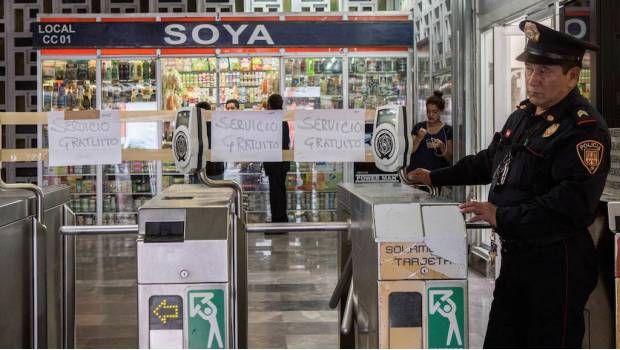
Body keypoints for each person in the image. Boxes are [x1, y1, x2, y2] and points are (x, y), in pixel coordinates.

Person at [410, 20, 609, 348]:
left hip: (556, 265)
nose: (532, 80)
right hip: (517, 259)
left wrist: (501, 216)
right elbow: (490, 161)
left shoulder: (584, 130)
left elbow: (570, 205)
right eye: (530, 69)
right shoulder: (523, 116)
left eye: (544, 71)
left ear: (573, 76)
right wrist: (434, 177)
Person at [406, 90, 453, 177]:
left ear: (441, 111)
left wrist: (442, 146)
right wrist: (419, 138)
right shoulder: (419, 127)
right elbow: (409, 151)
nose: (430, 115)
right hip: (416, 177)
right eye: (428, 111)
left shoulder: (447, 130)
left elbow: (450, 159)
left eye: (434, 112)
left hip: (436, 177)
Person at [263, 94, 291, 226]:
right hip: (281, 162)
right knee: (279, 192)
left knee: (276, 194)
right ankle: (281, 219)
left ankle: (278, 223)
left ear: (269, 105)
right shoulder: (282, 118)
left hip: (274, 162)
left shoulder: (272, 119)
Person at [195, 101, 225, 180]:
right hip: (216, 168)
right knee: (216, 190)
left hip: (199, 168)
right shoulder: (218, 125)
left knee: (198, 191)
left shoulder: (195, 127)